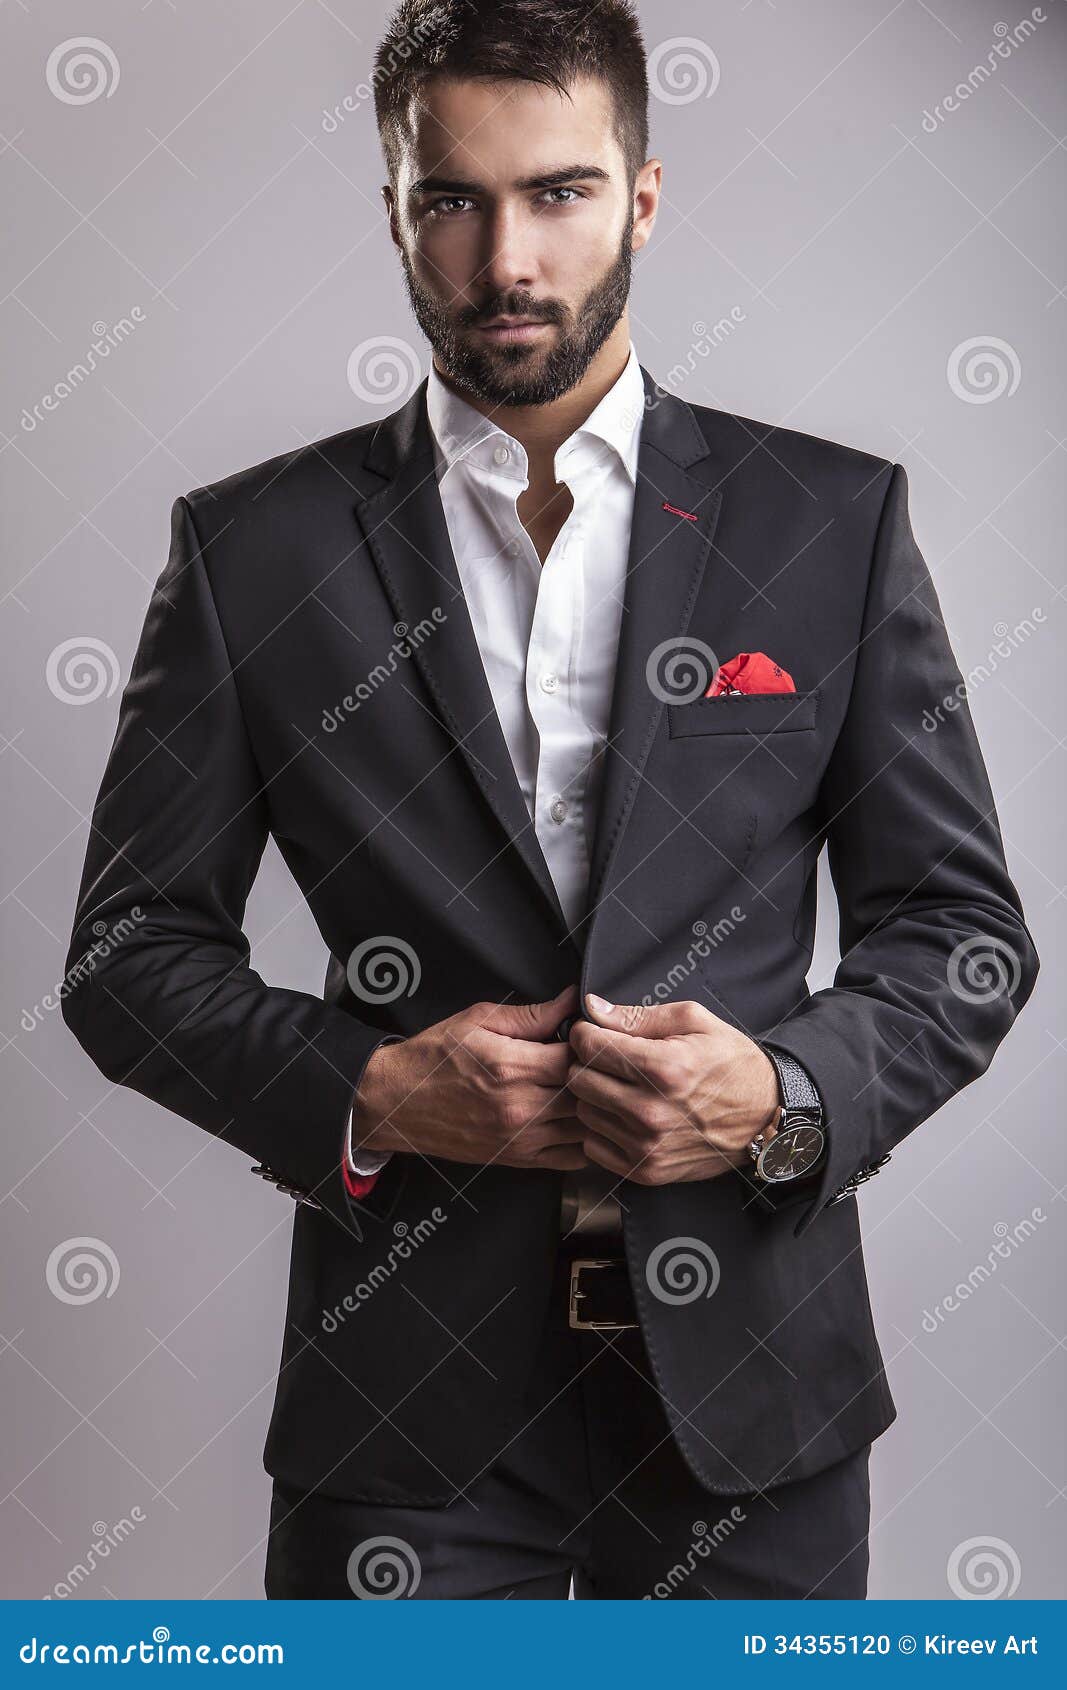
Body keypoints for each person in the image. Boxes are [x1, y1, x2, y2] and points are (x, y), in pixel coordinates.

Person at [62, 0, 1039, 1599]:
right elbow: (127, 953)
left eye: (560, 193)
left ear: (642, 196)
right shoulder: (257, 552)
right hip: (407, 1416)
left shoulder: (830, 523)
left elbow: (960, 932)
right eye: (453, 200)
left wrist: (786, 1094)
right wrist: (368, 1087)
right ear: (395, 212)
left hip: (754, 1403)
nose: (507, 258)